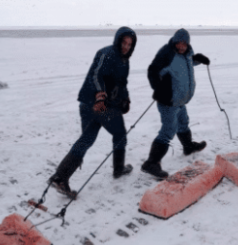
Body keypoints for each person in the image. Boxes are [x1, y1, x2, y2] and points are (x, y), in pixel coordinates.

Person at [48, 27, 137, 198]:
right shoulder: (107, 53)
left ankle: (60, 177)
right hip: (98, 104)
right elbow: (96, 75)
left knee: (87, 139)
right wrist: (100, 96)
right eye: (124, 42)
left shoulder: (124, 60)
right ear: (117, 40)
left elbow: (122, 83)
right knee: (120, 134)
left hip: (91, 103)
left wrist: (125, 99)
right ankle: (118, 169)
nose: (126, 46)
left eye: (129, 44)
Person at [141, 28, 211, 178]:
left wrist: (197, 60)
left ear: (187, 44)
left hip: (179, 100)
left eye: (184, 44)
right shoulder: (167, 53)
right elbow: (152, 70)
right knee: (168, 130)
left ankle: (188, 146)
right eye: (178, 43)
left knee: (183, 122)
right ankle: (152, 162)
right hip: (168, 101)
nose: (181, 46)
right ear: (174, 42)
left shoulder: (187, 54)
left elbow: (185, 64)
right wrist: (159, 88)